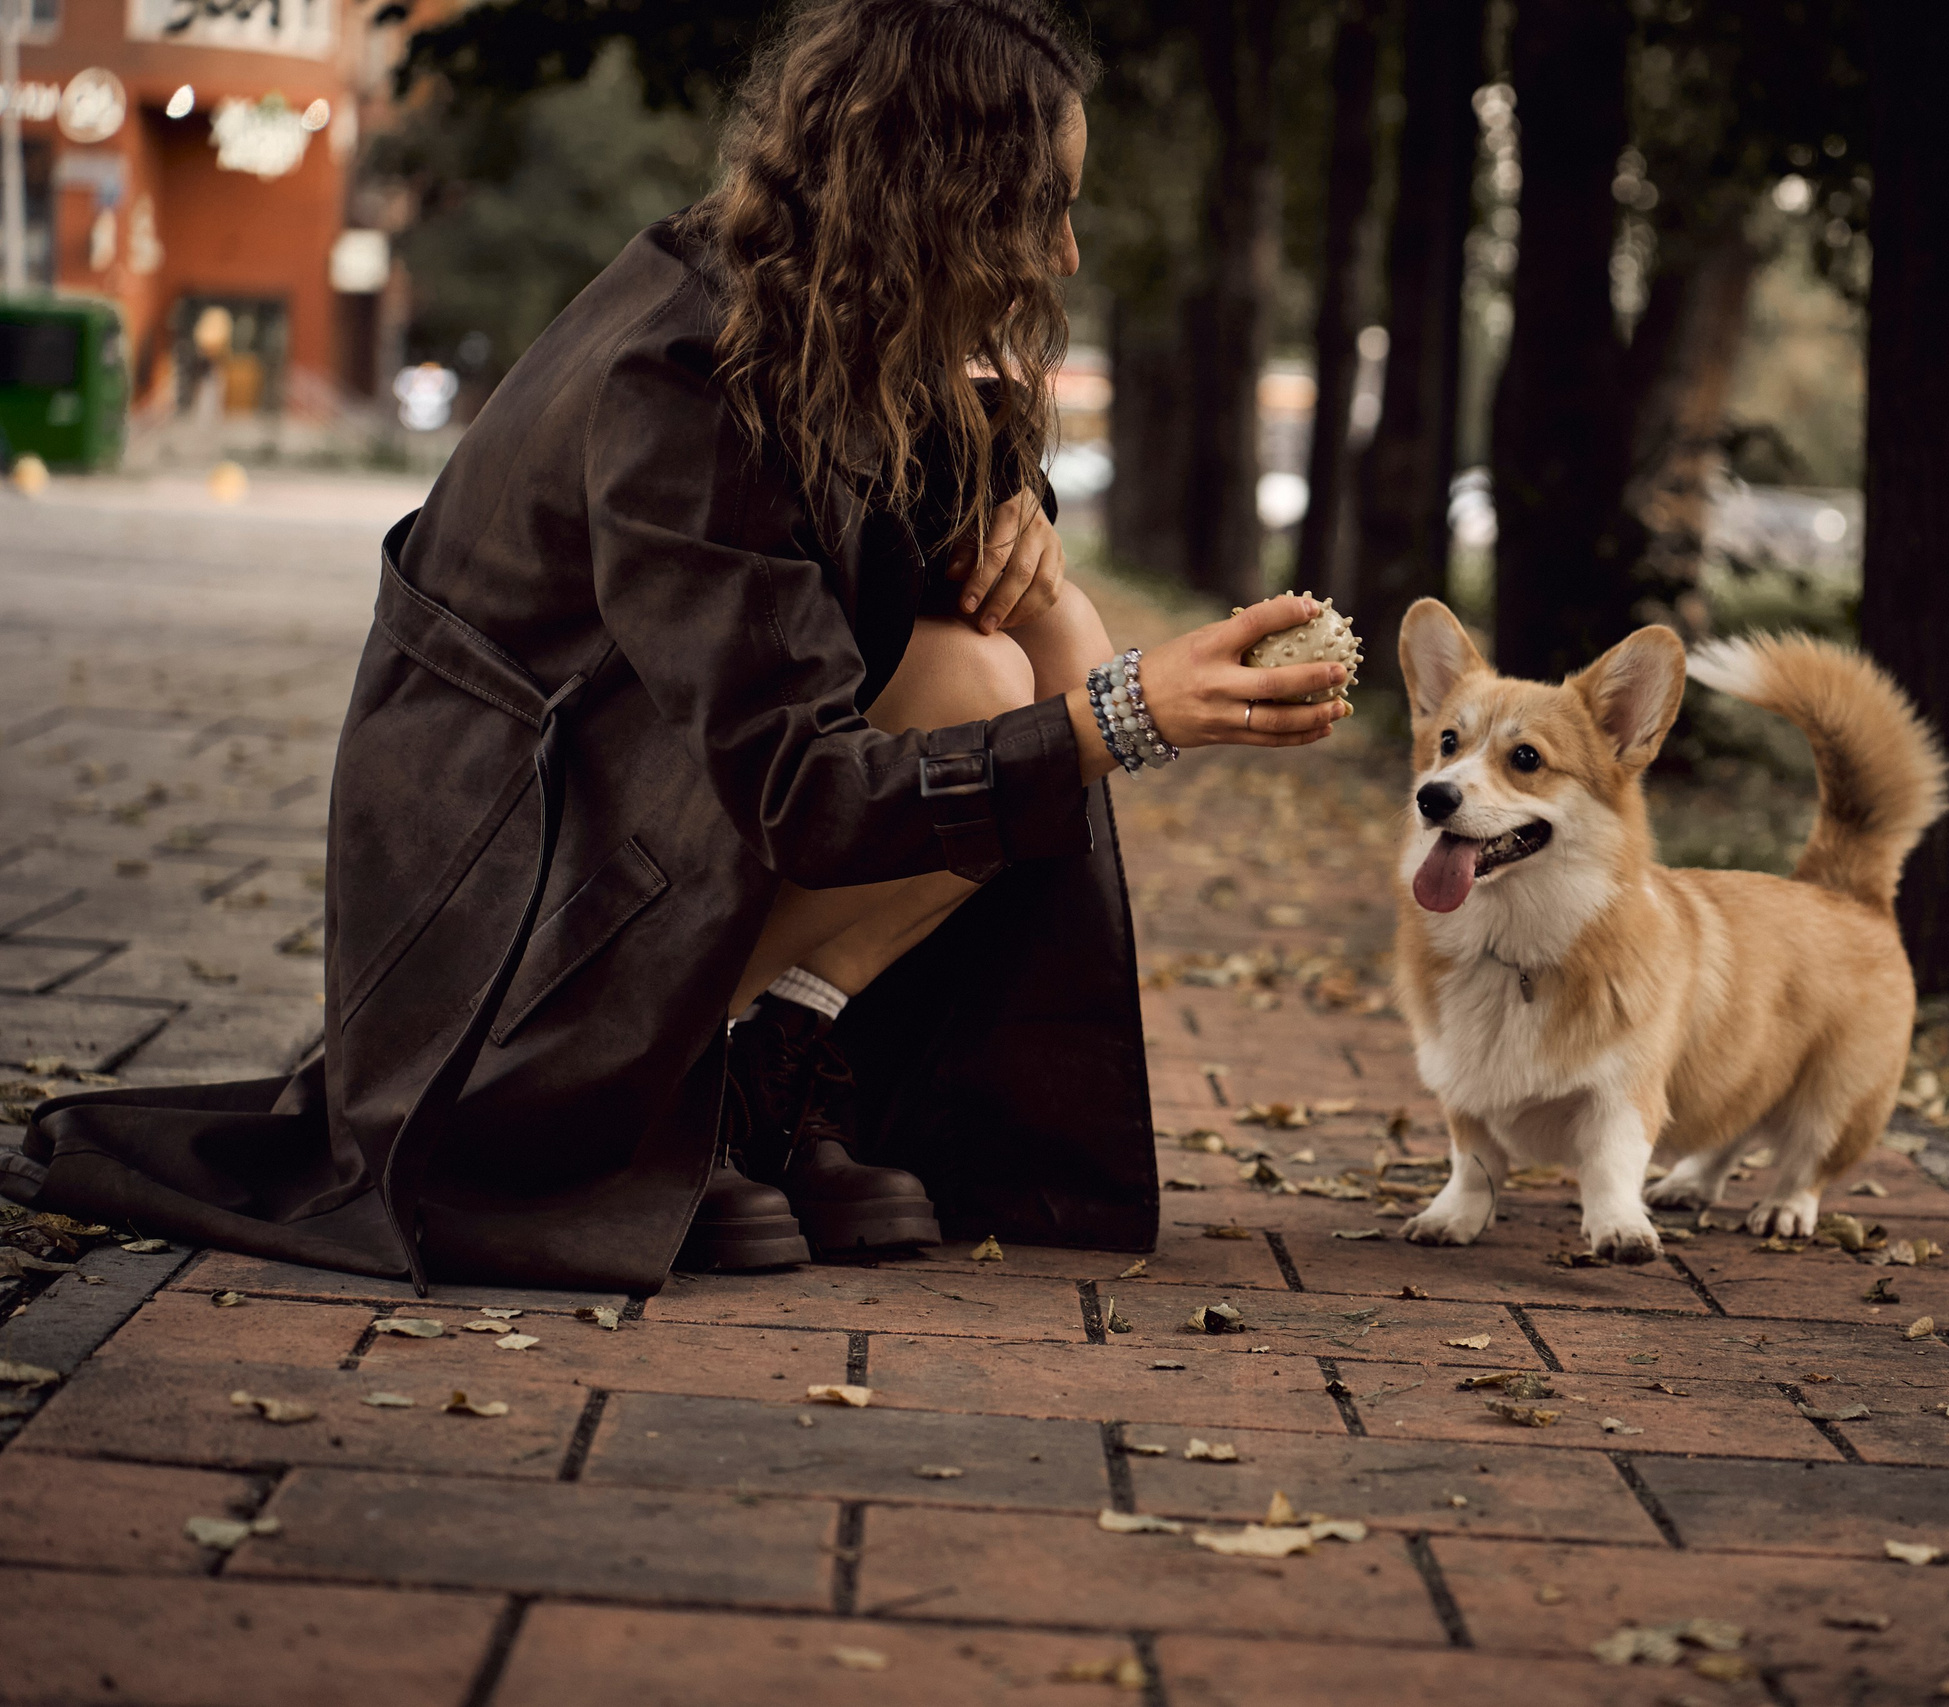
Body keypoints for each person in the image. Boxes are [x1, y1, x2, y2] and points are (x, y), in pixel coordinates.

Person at [9, 0, 1349, 1294]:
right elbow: (807, 793)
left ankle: (756, 1061)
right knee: (1005, 708)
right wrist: (1133, 713)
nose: (1061, 255)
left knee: (987, 667)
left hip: (628, 827)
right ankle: (654, 1088)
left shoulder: (843, 328)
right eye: (1037, 207)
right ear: (935, 194)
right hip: (497, 908)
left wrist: (1026, 528)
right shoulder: (682, 375)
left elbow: (1042, 684)